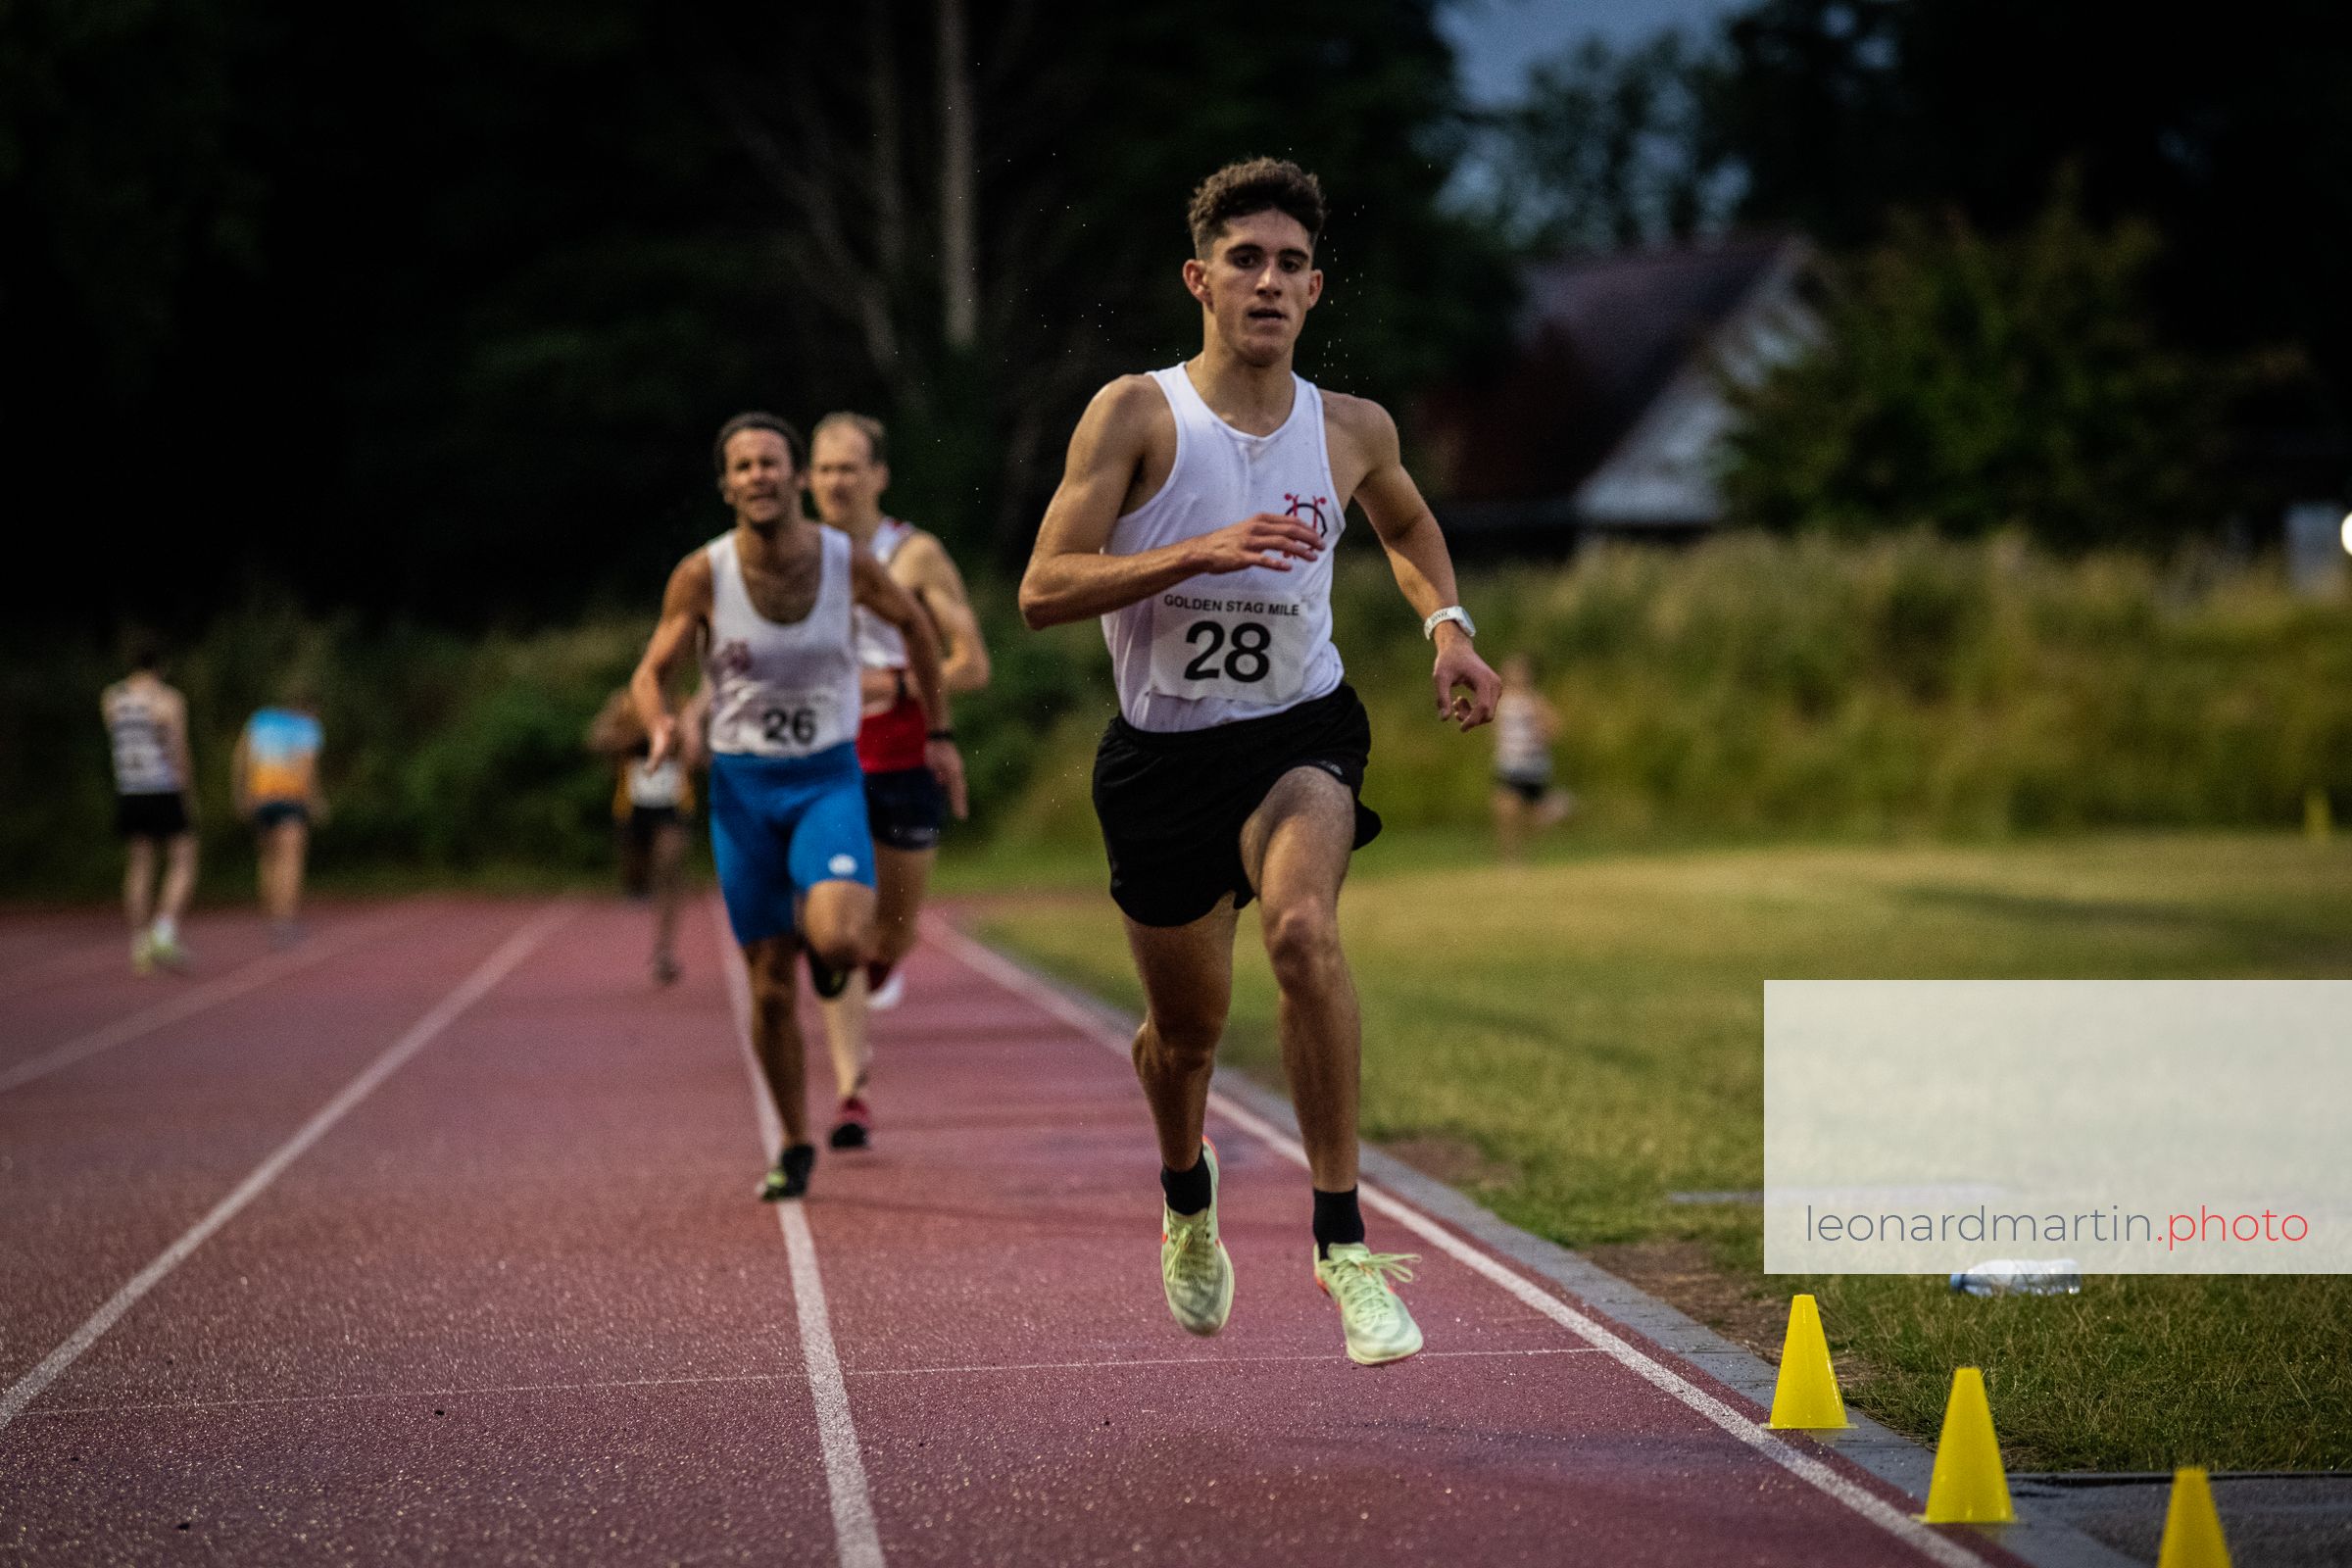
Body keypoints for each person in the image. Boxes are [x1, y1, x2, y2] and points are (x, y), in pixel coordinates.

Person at [1017, 158, 1501, 1366]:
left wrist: (1449, 627)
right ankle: (1188, 1197)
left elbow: (1407, 521)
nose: (1270, 282)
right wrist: (1197, 550)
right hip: (1162, 759)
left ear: (1315, 288)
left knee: (1301, 931)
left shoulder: (1351, 428)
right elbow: (1042, 589)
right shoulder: (1135, 415)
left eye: (1291, 264)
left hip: (1301, 733)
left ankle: (1345, 1247)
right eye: (1246, 260)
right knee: (1185, 1036)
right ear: (1201, 279)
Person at [630, 412, 965, 1201]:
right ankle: (792, 1141)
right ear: (726, 485)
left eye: (772, 462)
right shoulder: (702, 574)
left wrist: (939, 731)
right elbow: (652, 671)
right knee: (770, 983)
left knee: (842, 940)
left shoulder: (846, 562)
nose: (759, 475)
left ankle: (826, 942)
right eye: (743, 465)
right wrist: (660, 724)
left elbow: (917, 629)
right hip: (744, 791)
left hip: (826, 779)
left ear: (797, 477)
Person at [806, 410, 992, 1147]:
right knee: (839, 930)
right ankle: (851, 1093)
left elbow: (971, 664)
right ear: (807, 478)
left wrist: (896, 686)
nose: (836, 482)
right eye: (824, 468)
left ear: (878, 476)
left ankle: (878, 964)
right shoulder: (792, 555)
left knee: (894, 932)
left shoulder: (913, 556)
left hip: (902, 758)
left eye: (849, 468)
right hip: (825, 762)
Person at [587, 686, 700, 986]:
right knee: (637, 878)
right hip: (633, 804)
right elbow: (595, 740)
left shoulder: (683, 707)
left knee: (669, 867)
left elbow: (700, 755)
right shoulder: (624, 704)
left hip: (673, 803)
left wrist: (685, 745)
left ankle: (664, 951)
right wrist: (636, 736)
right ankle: (638, 887)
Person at [102, 648, 198, 973]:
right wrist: (187, 791)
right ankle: (163, 932)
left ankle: (140, 943)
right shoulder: (169, 700)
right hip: (163, 786)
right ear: (161, 666)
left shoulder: (112, 698)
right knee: (184, 859)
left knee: (139, 865)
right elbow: (178, 748)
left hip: (129, 788)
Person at [232, 694, 323, 948]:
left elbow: (241, 758)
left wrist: (241, 793)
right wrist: (315, 801)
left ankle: (271, 915)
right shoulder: (306, 726)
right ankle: (285, 920)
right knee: (290, 861)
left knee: (268, 860)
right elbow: (307, 767)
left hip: (260, 799)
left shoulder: (261, 720)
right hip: (290, 798)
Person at [1492, 654, 1574, 860]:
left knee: (1534, 816)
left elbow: (1555, 728)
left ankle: (1558, 806)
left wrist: (1541, 733)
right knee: (1505, 810)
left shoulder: (1534, 701)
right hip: (1509, 764)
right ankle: (1511, 858)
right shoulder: (1501, 701)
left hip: (1533, 766)